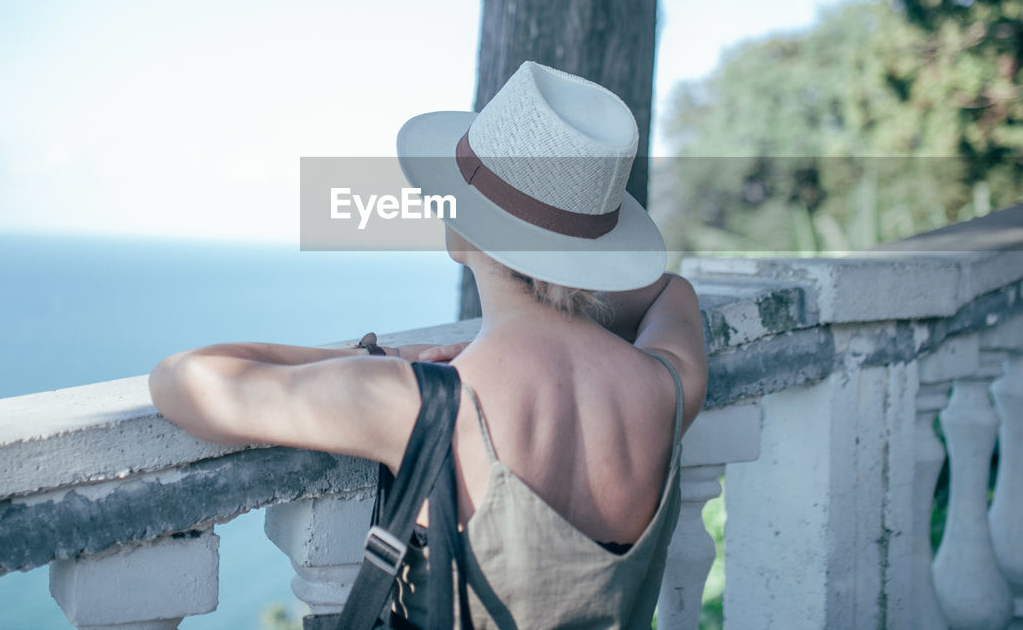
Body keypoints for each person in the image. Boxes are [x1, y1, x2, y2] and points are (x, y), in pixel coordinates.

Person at [149, 61, 709, 628]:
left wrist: (381, 362)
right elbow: (672, 292)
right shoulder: (670, 386)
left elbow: (179, 380)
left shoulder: (419, 403)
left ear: (461, 229)